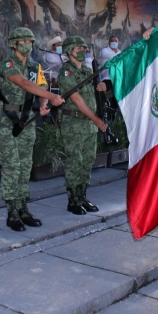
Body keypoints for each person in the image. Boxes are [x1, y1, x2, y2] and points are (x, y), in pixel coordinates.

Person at [0, 27, 64, 231]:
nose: (28, 44)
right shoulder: (8, 64)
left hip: (29, 121)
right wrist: (52, 97)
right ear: (14, 44)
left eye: (30, 40)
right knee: (11, 166)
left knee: (25, 166)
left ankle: (23, 208)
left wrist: (44, 103)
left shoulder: (35, 66)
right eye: (24, 41)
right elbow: (24, 84)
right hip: (10, 121)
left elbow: (41, 87)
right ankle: (12, 213)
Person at [58, 35, 107, 215]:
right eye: (78, 48)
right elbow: (76, 99)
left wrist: (101, 87)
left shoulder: (88, 71)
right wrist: (95, 118)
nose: (82, 51)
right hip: (74, 123)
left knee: (87, 160)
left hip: (89, 125)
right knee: (74, 161)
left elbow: (93, 93)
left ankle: (82, 196)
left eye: (84, 48)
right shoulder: (66, 71)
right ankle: (73, 200)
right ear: (69, 51)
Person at [35, 0, 116, 45]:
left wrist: (107, 11)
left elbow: (99, 21)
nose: (82, 9)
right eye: (79, 6)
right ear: (74, 6)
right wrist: (49, 2)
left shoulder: (90, 24)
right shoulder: (69, 22)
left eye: (83, 6)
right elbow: (59, 16)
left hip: (86, 59)